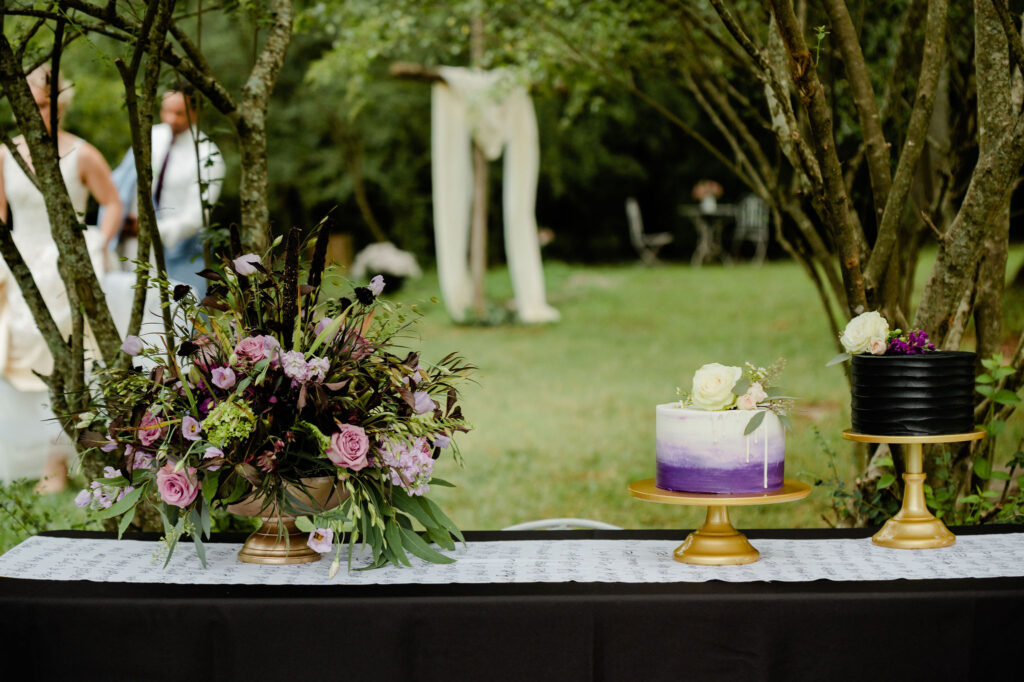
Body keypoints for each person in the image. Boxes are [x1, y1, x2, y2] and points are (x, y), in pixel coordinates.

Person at [0, 65, 122, 492]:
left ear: (60, 105)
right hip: (21, 261)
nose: (36, 113)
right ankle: (27, 450)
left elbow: (112, 204)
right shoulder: (5, 154)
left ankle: (58, 458)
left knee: (66, 353)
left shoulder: (82, 153)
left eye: (45, 105)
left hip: (66, 261)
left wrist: (99, 246)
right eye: (29, 106)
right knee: (18, 350)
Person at [113, 88, 224, 296]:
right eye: (167, 111)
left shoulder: (208, 155)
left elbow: (196, 217)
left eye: (179, 113)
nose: (172, 119)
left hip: (180, 251)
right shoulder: (151, 136)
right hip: (133, 243)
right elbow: (123, 181)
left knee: (179, 315)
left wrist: (150, 228)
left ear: (194, 112)